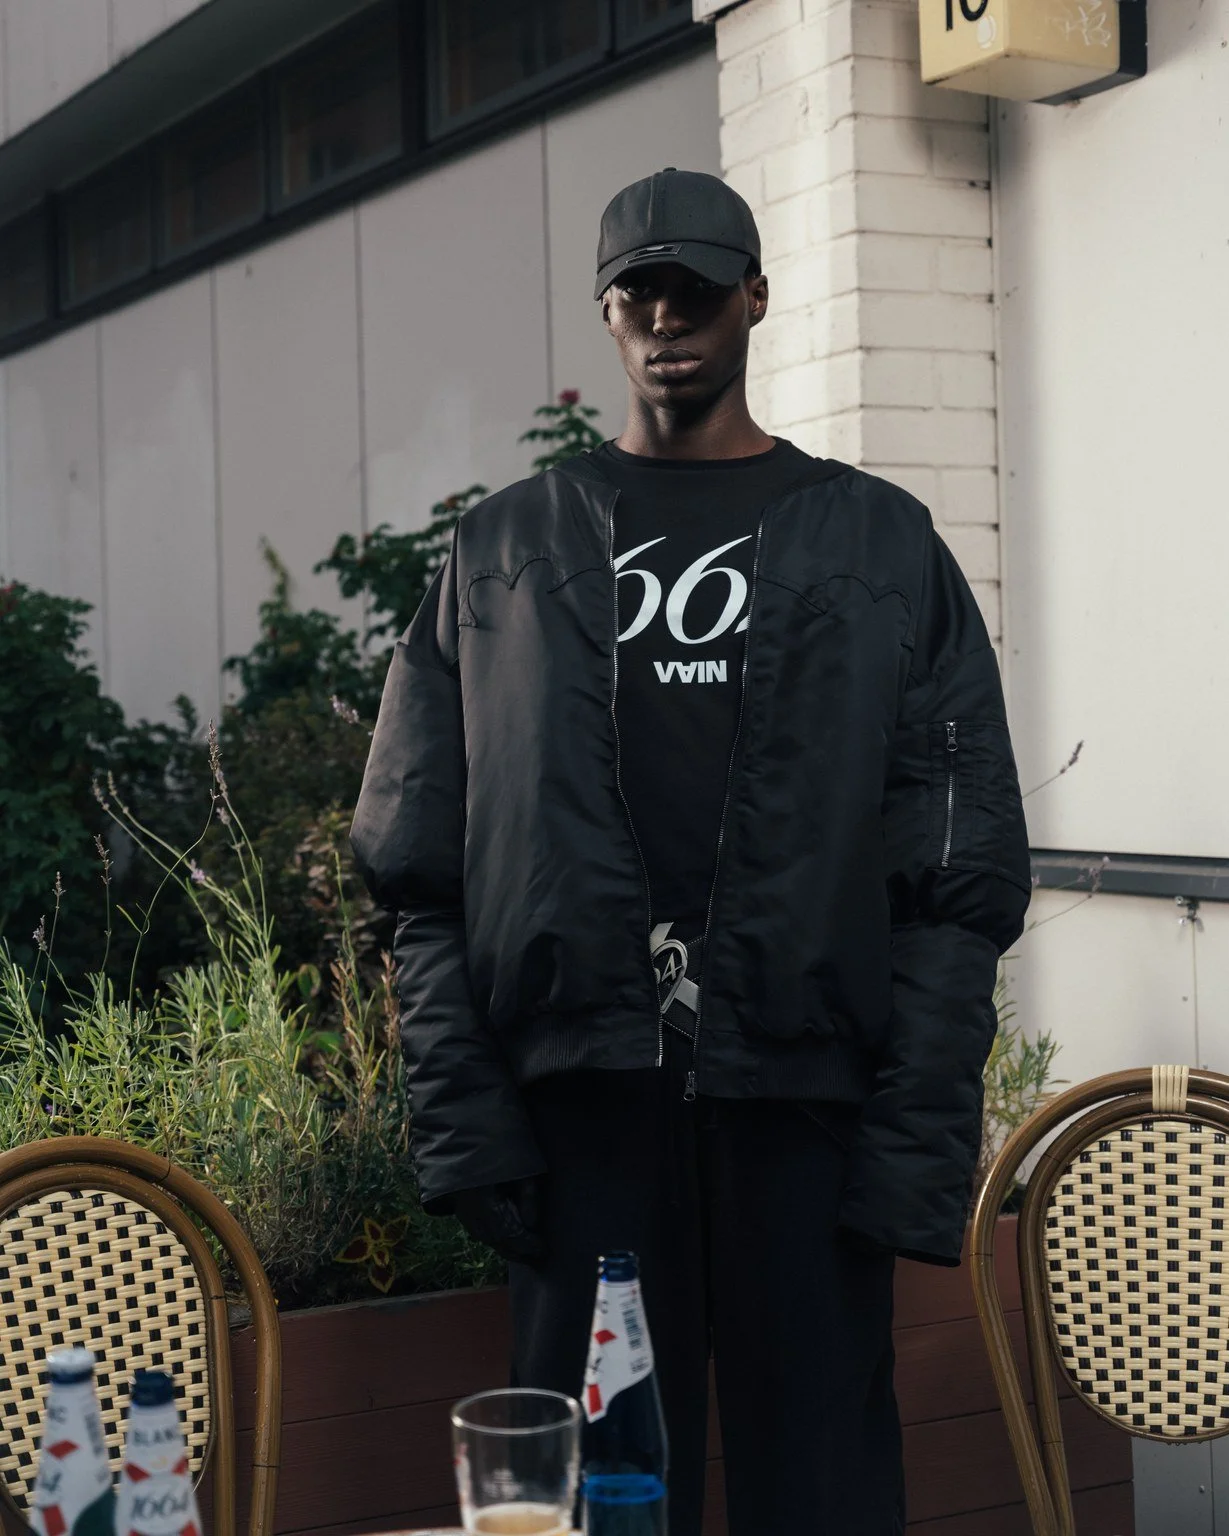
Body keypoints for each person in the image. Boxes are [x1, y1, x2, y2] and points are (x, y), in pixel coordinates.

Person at [351, 167, 1031, 1536]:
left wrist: (909, 1144)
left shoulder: (880, 543)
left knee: (824, 1489)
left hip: (804, 1113)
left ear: (756, 300)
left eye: (699, 289)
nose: (669, 317)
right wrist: (473, 1128)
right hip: (580, 1116)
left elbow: (958, 878)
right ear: (607, 313)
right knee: (598, 1501)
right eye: (639, 291)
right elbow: (412, 871)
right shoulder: (501, 554)